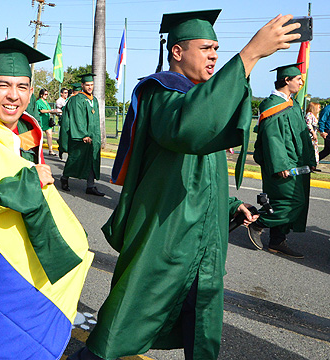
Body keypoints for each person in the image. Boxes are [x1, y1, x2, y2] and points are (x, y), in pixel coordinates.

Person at [70, 10, 297, 360]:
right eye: (206, 48)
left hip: (202, 238)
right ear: (177, 52)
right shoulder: (161, 94)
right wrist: (249, 54)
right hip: (167, 234)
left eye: (217, 49)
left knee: (203, 326)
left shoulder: (198, 98)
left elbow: (203, 170)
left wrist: (229, 203)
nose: (214, 56)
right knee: (127, 320)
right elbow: (186, 133)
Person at [0, 37, 93, 360]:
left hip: (30, 262)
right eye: (3, 85)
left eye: (22, 86)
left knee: (29, 340)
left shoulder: (28, 133)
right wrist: (30, 178)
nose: (13, 95)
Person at [247, 63, 317, 259]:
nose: (301, 83)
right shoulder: (271, 106)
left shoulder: (293, 105)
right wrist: (281, 165)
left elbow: (303, 136)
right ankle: (258, 222)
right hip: (283, 165)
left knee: (290, 201)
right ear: (286, 80)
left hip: (298, 164)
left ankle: (277, 241)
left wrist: (310, 159)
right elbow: (273, 139)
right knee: (292, 202)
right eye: (298, 80)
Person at [60, 73, 104, 196]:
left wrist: (95, 135)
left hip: (93, 135)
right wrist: (83, 134)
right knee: (75, 159)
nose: (90, 87)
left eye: (92, 85)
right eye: (87, 85)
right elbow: (76, 118)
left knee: (92, 159)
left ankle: (91, 186)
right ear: (82, 85)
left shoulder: (94, 100)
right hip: (80, 136)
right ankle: (65, 178)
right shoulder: (76, 99)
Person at [58, 83, 81, 160]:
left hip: (72, 121)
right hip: (69, 122)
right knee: (67, 140)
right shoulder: (72, 99)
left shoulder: (74, 98)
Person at [36, 88, 57, 155]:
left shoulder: (46, 102)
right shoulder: (38, 102)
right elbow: (41, 110)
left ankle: (51, 150)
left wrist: (54, 112)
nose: (46, 95)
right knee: (40, 136)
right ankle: (38, 150)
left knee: (49, 135)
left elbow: (49, 110)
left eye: (47, 94)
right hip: (41, 121)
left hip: (47, 121)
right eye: (45, 94)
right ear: (41, 94)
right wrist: (50, 111)